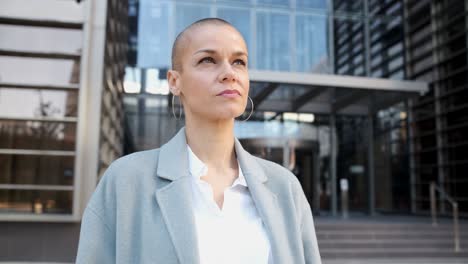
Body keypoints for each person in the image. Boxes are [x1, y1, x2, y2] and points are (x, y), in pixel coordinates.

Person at [76, 18, 321, 264]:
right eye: (208, 60)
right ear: (174, 81)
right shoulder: (126, 180)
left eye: (239, 62)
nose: (229, 73)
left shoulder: (285, 187)